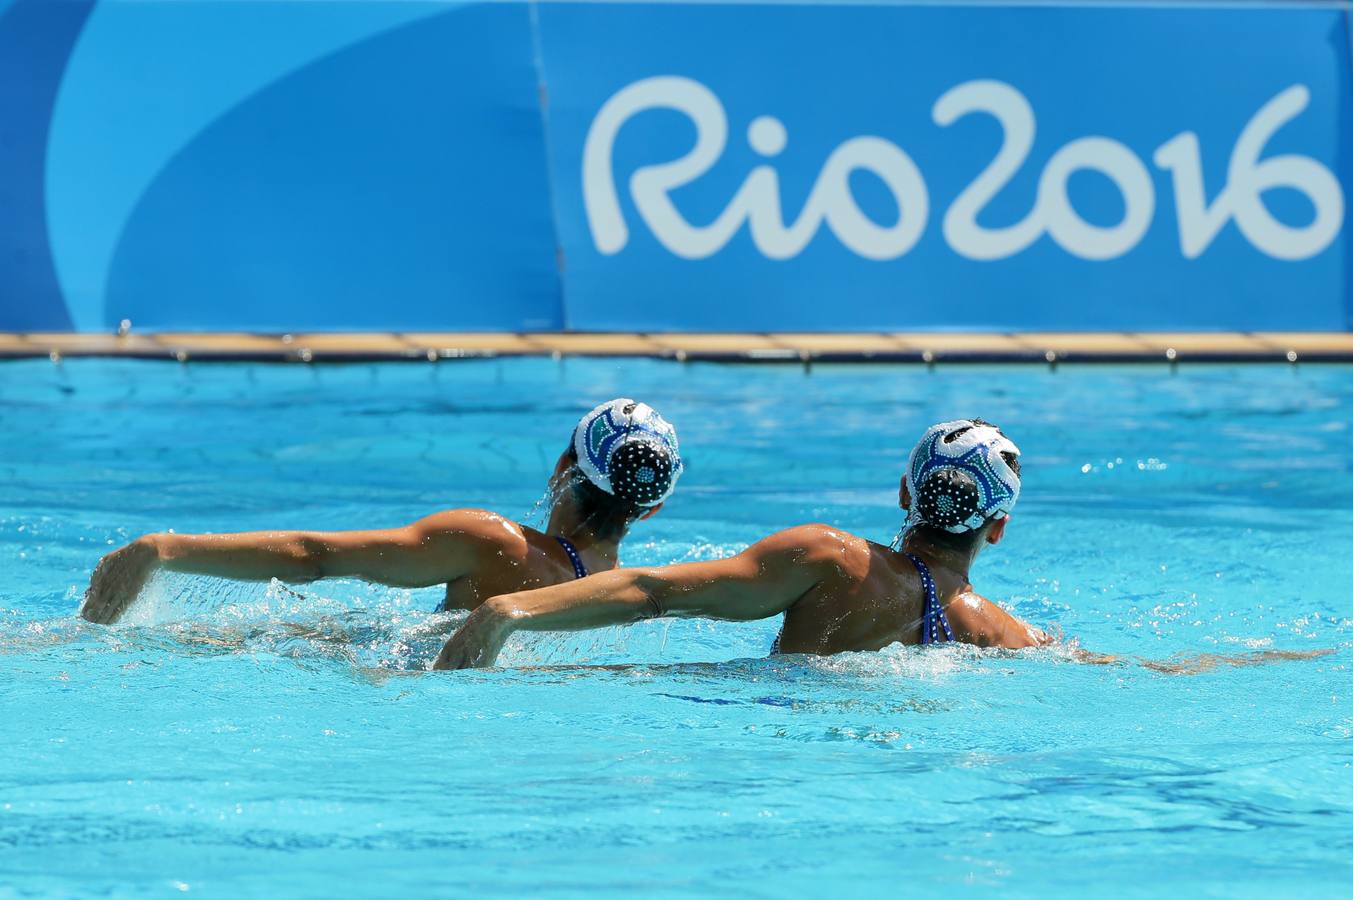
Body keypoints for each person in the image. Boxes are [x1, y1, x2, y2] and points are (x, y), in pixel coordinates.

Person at [434, 418, 1052, 669]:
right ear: (998, 527)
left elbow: (651, 593)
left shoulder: (831, 559)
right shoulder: (1004, 635)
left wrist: (505, 612)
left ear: (902, 492)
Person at [79, 399, 684, 624]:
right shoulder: (628, 598)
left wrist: (162, 549)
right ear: (650, 510)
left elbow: (313, 558)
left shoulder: (493, 543)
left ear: (561, 470)